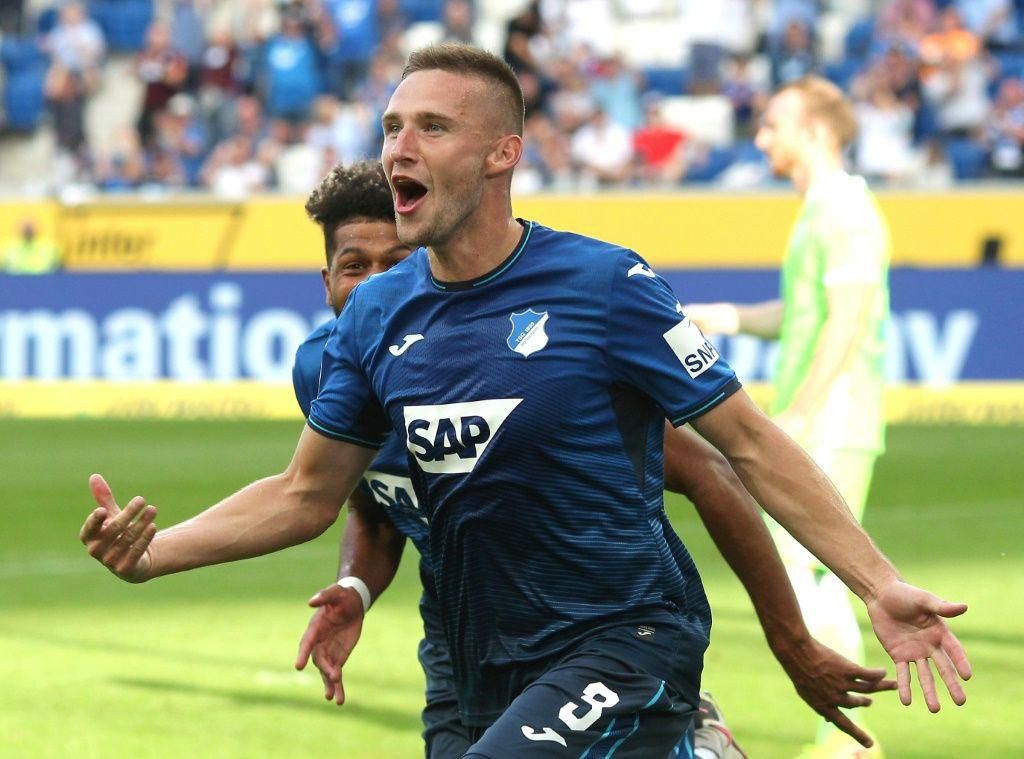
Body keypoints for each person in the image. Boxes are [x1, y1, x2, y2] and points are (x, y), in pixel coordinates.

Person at [80, 45, 971, 759]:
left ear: (502, 153)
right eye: (392, 126)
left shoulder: (604, 285)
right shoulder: (375, 318)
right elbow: (305, 493)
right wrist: (154, 554)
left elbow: (744, 446)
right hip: (473, 661)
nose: (400, 148)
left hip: (627, 637)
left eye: (432, 126)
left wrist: (876, 583)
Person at [291, 160, 899, 757]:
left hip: (593, 623)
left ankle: (689, 736)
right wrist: (355, 587)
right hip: (463, 641)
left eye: (396, 263)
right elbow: (376, 505)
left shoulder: (513, 355)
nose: (373, 285)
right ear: (326, 281)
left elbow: (714, 471)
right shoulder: (323, 371)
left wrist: (791, 641)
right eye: (354, 267)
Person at [685, 75, 894, 759]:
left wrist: (801, 412)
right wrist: (724, 316)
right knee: (811, 569)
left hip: (832, 417)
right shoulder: (823, 210)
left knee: (804, 566)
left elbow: (848, 317)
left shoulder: (844, 211)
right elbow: (803, 314)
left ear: (817, 131)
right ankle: (847, 739)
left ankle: (851, 740)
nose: (761, 138)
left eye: (774, 124)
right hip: (825, 415)